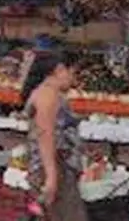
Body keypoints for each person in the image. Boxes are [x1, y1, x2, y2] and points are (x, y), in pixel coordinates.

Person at [21, 50, 86, 220]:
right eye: (72, 73)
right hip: (54, 166)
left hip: (50, 165)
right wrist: (51, 177)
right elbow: (46, 135)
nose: (73, 79)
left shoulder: (44, 93)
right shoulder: (48, 95)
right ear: (59, 69)